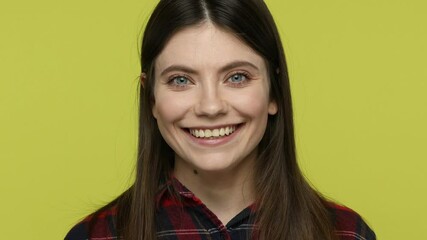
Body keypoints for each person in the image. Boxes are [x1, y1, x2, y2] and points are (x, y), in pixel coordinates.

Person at [65, 0, 376, 239]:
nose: (210, 106)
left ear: (274, 93)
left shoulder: (346, 233)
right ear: (151, 100)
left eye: (237, 76)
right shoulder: (97, 235)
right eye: (181, 80)